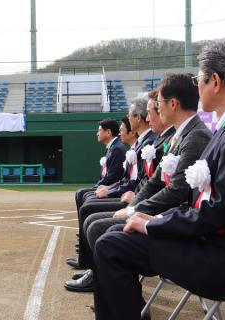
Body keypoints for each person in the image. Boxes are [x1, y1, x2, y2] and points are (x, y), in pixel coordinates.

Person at [93, 39, 225, 320]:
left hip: (223, 257)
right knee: (113, 236)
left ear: (215, 81)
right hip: (210, 241)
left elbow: (221, 211)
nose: (197, 86)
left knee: (111, 246)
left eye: (199, 79)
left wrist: (155, 223)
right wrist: (153, 221)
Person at [67, 73, 212, 293]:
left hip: (176, 218)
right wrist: (134, 208)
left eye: (159, 104)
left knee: (100, 228)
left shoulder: (196, 136)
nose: (155, 110)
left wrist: (136, 209)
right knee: (97, 222)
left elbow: (176, 191)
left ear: (173, 104)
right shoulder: (180, 136)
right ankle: (112, 289)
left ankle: (119, 295)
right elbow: (155, 182)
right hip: (164, 211)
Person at [66, 98, 158, 271]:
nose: (126, 122)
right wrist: (110, 189)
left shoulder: (148, 143)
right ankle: (88, 259)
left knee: (89, 209)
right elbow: (131, 179)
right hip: (133, 196)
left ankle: (91, 265)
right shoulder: (141, 145)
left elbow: (141, 181)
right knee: (86, 199)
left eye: (129, 116)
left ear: (138, 118)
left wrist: (124, 194)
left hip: (138, 201)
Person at [74, 119, 127, 216]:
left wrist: (98, 187)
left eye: (99, 130)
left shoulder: (117, 149)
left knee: (81, 193)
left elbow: (112, 177)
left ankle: (83, 231)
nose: (97, 134)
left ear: (108, 132)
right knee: (80, 193)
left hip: (113, 188)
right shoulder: (112, 147)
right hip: (109, 186)